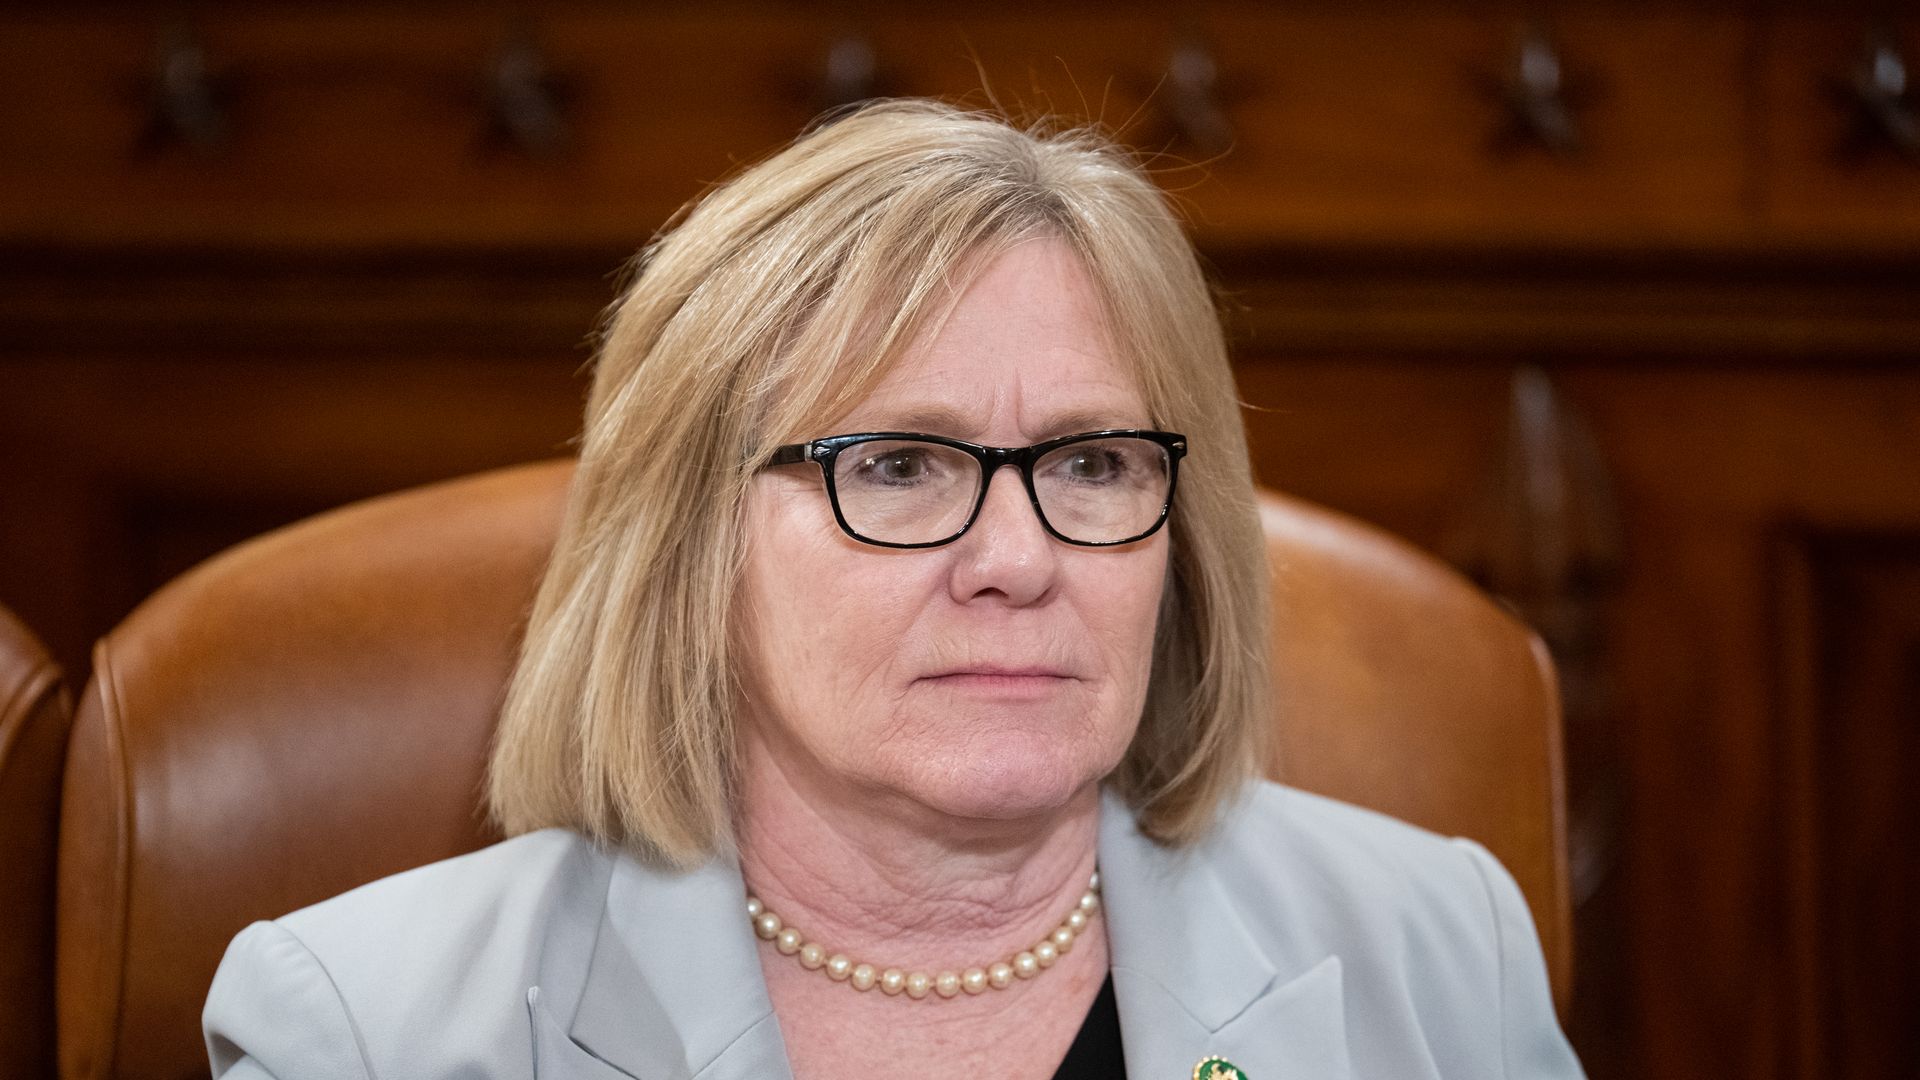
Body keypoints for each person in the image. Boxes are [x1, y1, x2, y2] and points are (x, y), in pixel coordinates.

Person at [202, 99, 1584, 1080]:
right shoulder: (363, 1030)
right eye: (903, 465)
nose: (1018, 560)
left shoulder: (1438, 951)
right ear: (688, 546)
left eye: (1093, 462)